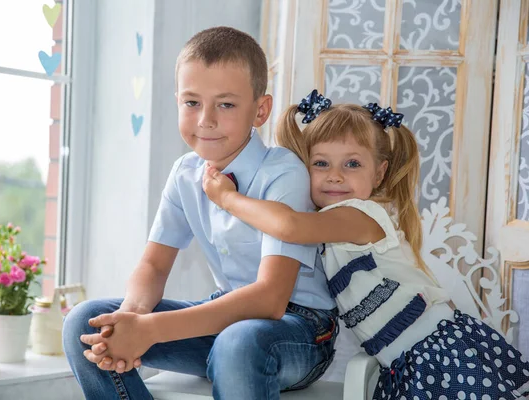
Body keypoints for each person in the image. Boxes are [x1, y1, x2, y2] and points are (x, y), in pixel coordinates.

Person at [202, 90, 529, 399]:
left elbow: (289, 226)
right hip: (403, 361)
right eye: (321, 163)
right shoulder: (332, 227)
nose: (335, 175)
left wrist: (229, 199)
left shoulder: (360, 215)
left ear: (379, 174)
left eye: (352, 164)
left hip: (435, 351)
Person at [62, 28, 338, 400]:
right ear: (177, 101)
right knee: (85, 323)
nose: (205, 119)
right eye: (192, 103)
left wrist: (151, 330)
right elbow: (154, 267)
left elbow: (269, 300)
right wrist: (128, 321)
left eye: (225, 105)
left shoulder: (284, 174)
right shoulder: (185, 173)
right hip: (225, 321)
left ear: (260, 110)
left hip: (296, 331)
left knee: (239, 342)